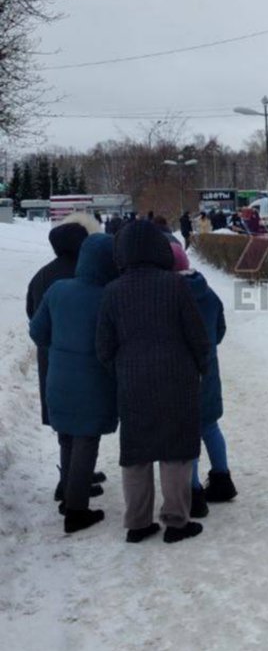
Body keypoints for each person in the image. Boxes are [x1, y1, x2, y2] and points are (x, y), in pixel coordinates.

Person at [96, 221, 210, 544]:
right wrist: (203, 368)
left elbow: (103, 347)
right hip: (177, 380)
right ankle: (176, 522)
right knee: (176, 452)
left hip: (132, 382)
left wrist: (119, 370)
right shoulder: (175, 286)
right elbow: (197, 336)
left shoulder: (112, 291)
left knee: (136, 453)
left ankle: (137, 523)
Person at [29, 235, 118, 534]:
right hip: (93, 381)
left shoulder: (57, 290)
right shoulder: (108, 295)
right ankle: (76, 511)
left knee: (67, 437)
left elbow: (38, 332)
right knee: (85, 441)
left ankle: (69, 496)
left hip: (58, 377)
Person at [26, 212, 105, 504]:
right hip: (86, 360)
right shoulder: (90, 275)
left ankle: (70, 477)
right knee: (85, 425)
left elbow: (33, 316)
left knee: (65, 424)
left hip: (52, 360)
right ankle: (75, 484)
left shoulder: (42, 275)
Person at [169, 244, 237, 511]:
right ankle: (222, 479)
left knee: (187, 432)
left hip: (181, 372)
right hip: (208, 369)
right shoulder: (208, 294)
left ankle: (193, 491)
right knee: (209, 425)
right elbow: (219, 330)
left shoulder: (170, 298)